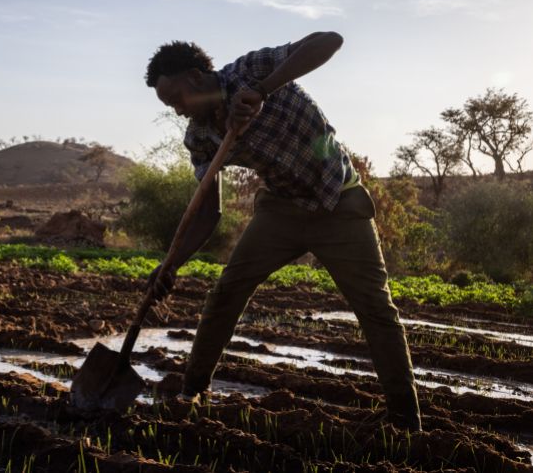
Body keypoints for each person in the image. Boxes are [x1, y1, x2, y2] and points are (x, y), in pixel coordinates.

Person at [144, 33, 422, 431]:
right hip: (281, 210)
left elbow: (330, 40)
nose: (178, 111)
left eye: (177, 100)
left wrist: (261, 90)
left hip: (339, 202)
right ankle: (192, 392)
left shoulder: (251, 70)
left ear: (196, 75)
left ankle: (405, 420)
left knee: (376, 310)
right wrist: (171, 263)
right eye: (170, 106)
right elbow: (207, 211)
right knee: (226, 292)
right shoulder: (201, 137)